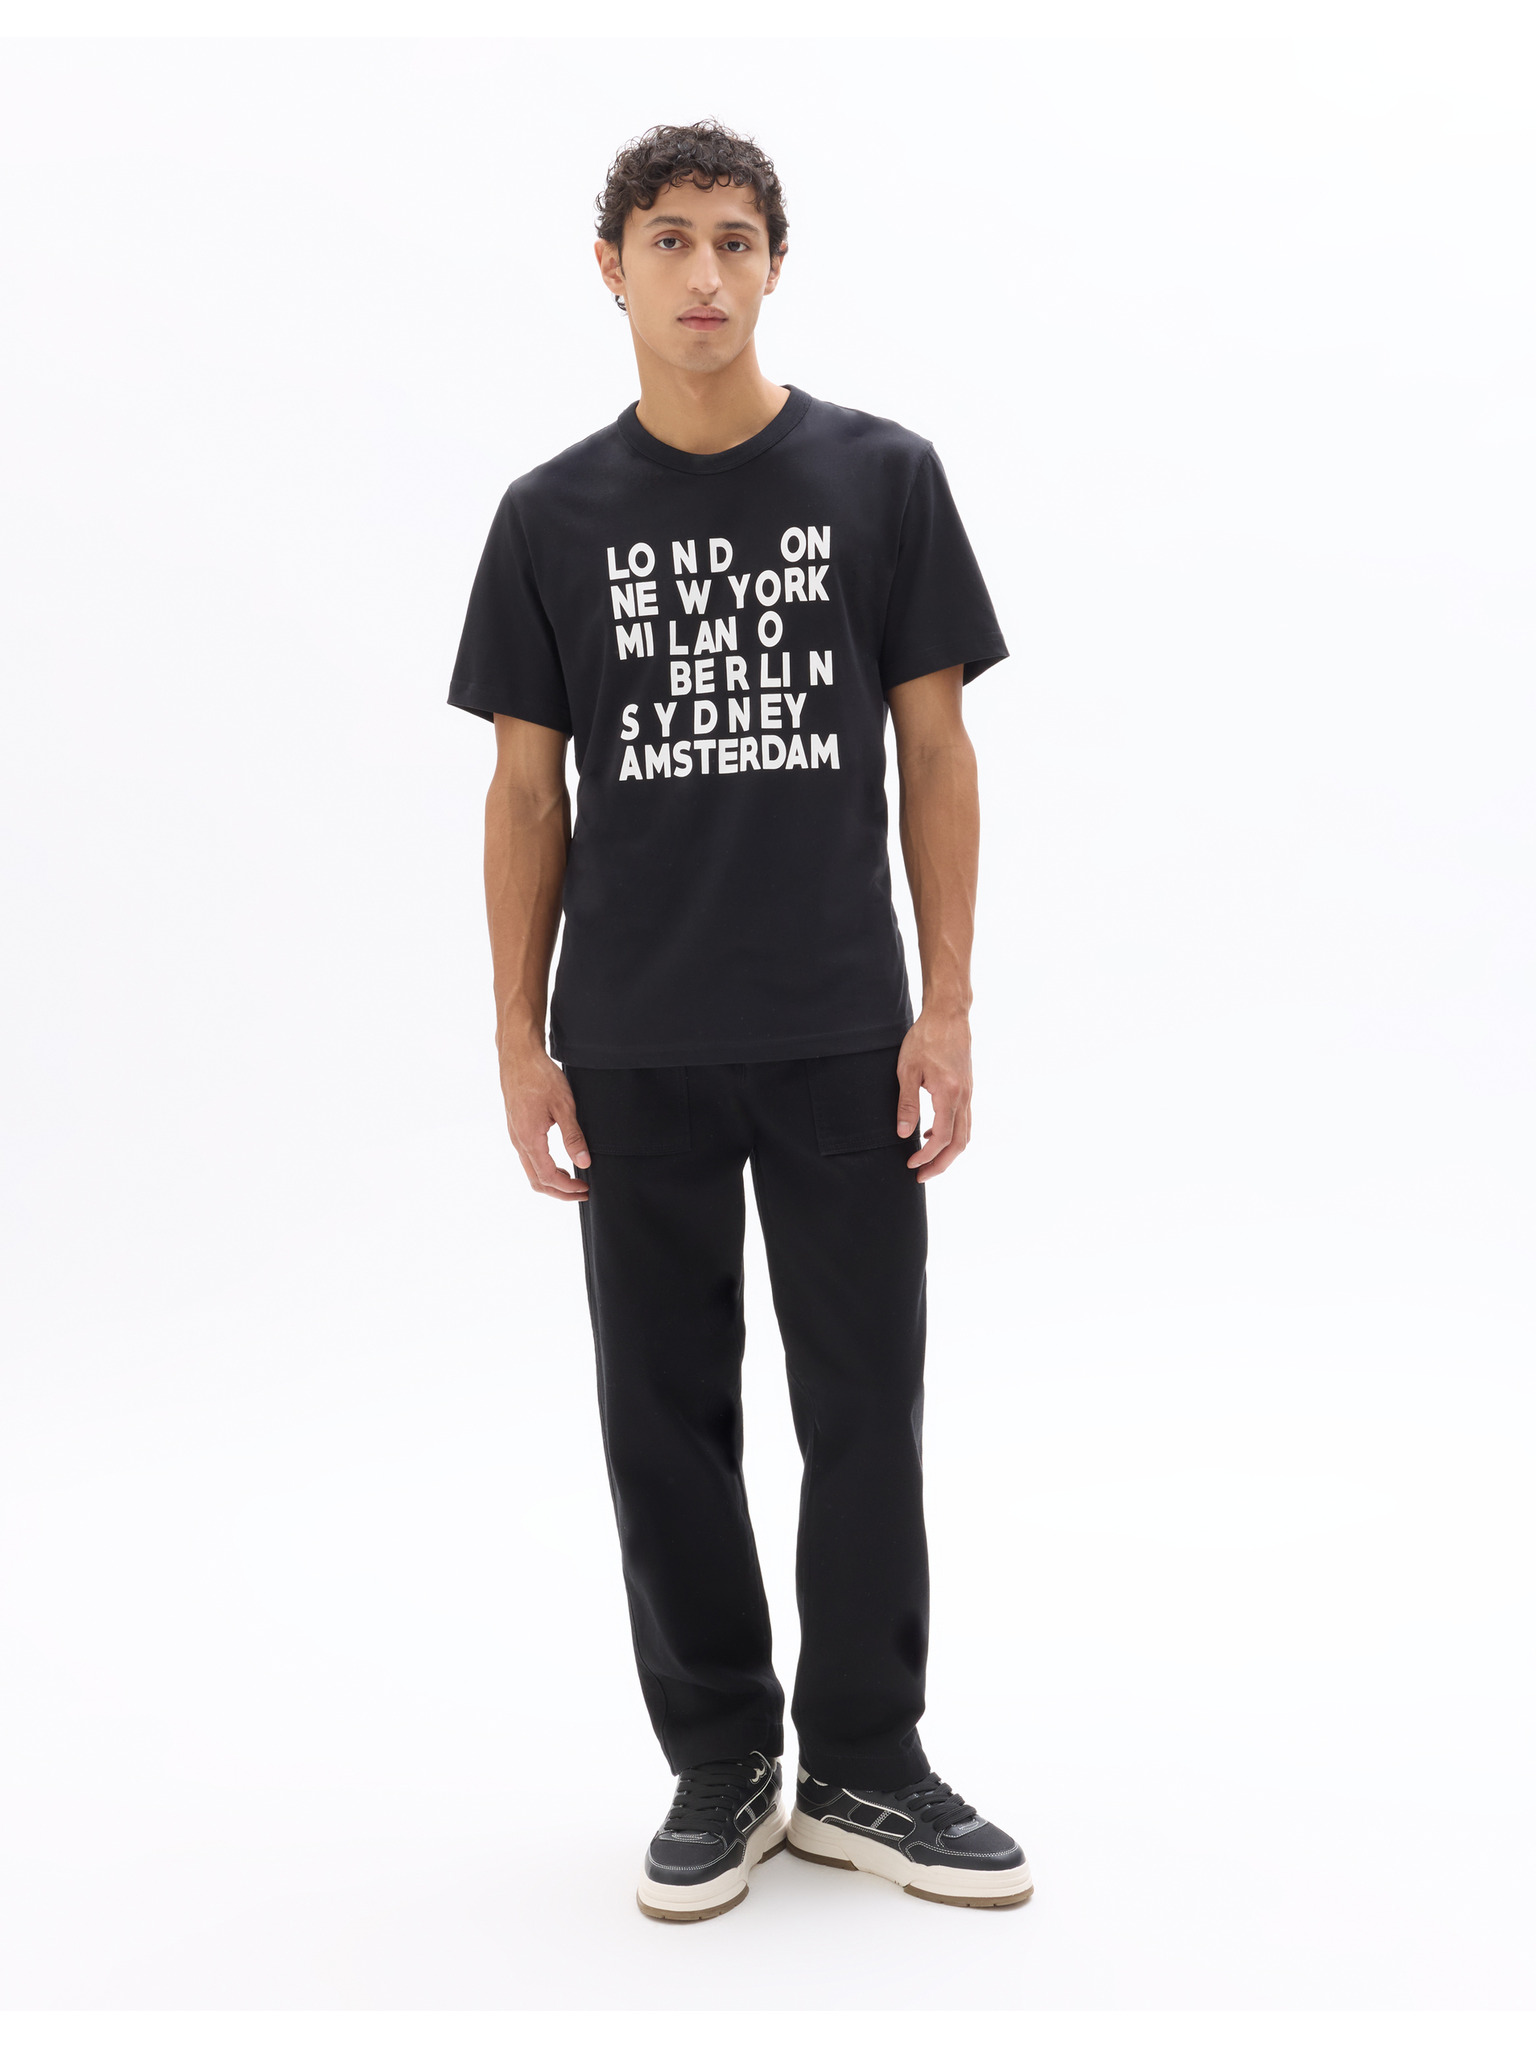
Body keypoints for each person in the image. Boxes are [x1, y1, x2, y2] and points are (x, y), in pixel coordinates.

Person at [448, 121, 1031, 1922]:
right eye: (668, 239)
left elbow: (937, 752)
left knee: (865, 1406)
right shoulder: (549, 516)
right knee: (663, 1417)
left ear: (775, 264)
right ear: (610, 268)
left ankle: (865, 1761)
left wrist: (946, 1005)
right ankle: (721, 1760)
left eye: (733, 239)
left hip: (845, 1030)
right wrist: (519, 1040)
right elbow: (525, 795)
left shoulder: (884, 478)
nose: (703, 273)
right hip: (634, 1041)